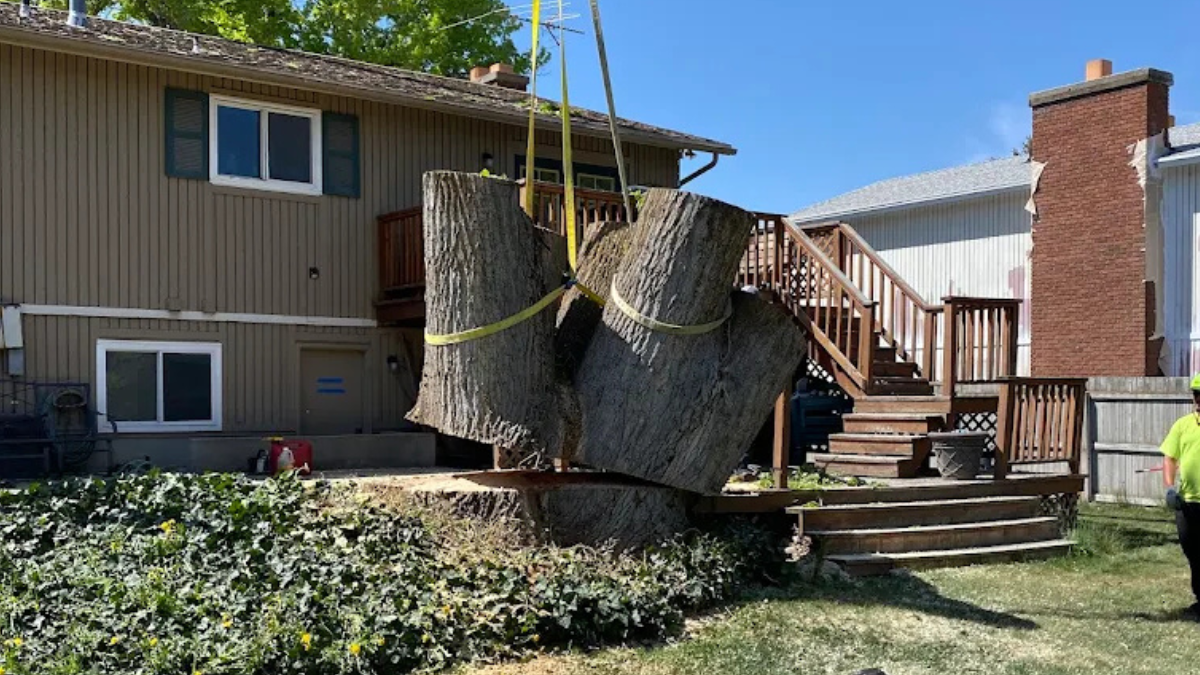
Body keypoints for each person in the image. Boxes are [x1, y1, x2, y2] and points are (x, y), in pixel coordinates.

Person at [1161, 374, 1200, 616]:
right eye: (1197, 394)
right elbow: (1170, 457)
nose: (1199, 399)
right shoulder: (1182, 425)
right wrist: (1169, 486)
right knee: (1192, 550)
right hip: (1187, 503)